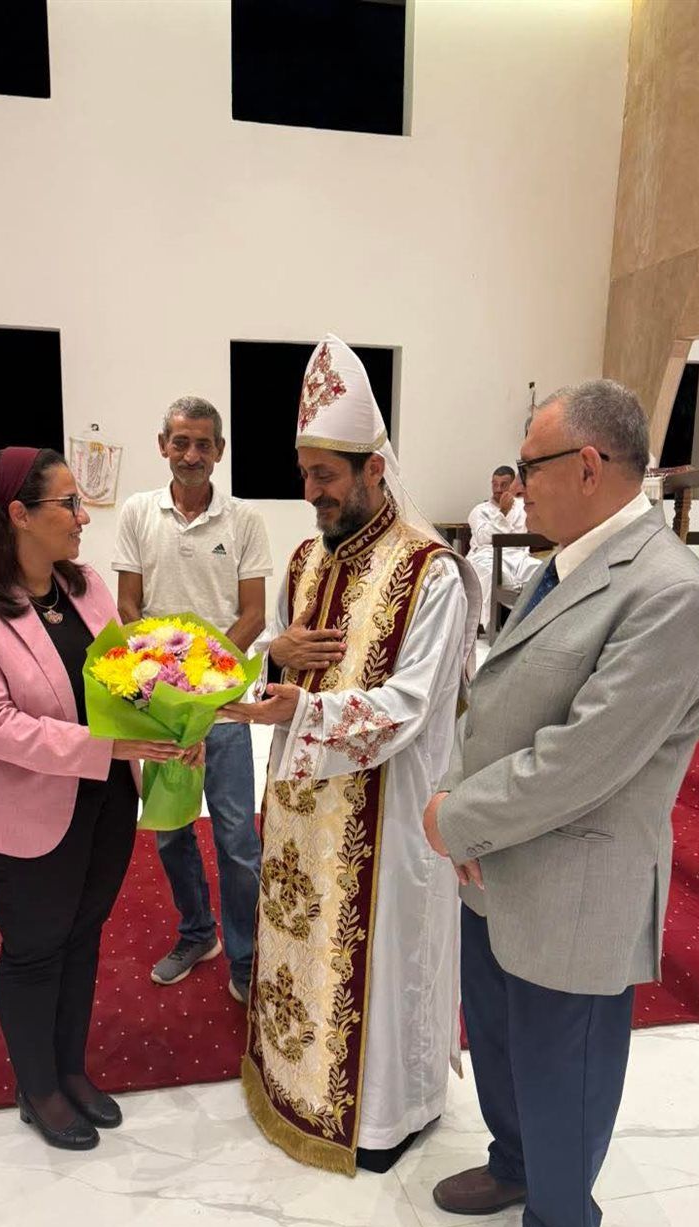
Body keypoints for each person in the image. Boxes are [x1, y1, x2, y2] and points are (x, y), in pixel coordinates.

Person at [423, 381, 699, 1227]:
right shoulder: (566, 562)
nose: (517, 487)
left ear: (587, 466)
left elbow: (583, 759)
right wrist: (461, 803)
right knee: (501, 1039)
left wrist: (457, 817)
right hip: (501, 860)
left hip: (574, 873)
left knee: (564, 1062)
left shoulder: (667, 592)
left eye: (531, 466)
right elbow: (499, 700)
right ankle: (517, 1164)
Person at [225, 335, 480, 1176]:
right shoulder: (305, 558)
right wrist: (273, 664)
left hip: (389, 817)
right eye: (305, 475)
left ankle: (383, 1119)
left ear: (374, 468)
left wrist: (306, 708)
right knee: (295, 949)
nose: (312, 493)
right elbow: (278, 654)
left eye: (326, 476)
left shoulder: (432, 574)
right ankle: (288, 1086)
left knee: (381, 962)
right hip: (300, 811)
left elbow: (411, 704)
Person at [0, 447, 201, 1151]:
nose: (84, 517)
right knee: (35, 948)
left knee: (82, 935)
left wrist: (179, 722)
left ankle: (70, 1070)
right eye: (69, 504)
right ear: (18, 514)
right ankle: (38, 1086)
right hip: (24, 811)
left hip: (103, 802)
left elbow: (125, 678)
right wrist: (108, 748)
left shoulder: (83, 587)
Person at [113, 397, 272, 1004]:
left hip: (223, 709)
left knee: (238, 841)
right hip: (160, 709)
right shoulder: (137, 512)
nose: (191, 454)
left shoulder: (244, 521)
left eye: (204, 443)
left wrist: (202, 686)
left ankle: (245, 956)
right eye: (180, 442)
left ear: (219, 451)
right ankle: (197, 933)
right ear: (163, 446)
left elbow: (252, 614)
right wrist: (165, 685)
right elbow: (129, 605)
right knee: (171, 833)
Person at [467, 465, 543, 630]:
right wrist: (502, 512)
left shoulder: (523, 508)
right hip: (487, 556)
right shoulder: (480, 511)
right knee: (497, 575)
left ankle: (537, 625)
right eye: (495, 484)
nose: (498, 489)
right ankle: (492, 627)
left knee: (542, 571)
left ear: (513, 485)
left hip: (519, 557)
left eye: (504, 485)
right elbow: (483, 538)